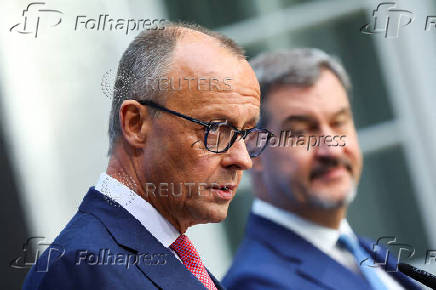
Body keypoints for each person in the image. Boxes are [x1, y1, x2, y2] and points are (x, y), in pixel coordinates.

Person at [23, 23, 270, 290]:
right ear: (136, 124)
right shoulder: (82, 268)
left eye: (246, 133)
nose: (243, 159)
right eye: (216, 129)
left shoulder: (170, 255)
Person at [222, 49, 420, 290]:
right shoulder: (256, 283)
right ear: (253, 148)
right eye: (302, 132)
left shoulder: (371, 254)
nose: (333, 150)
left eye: (339, 123)